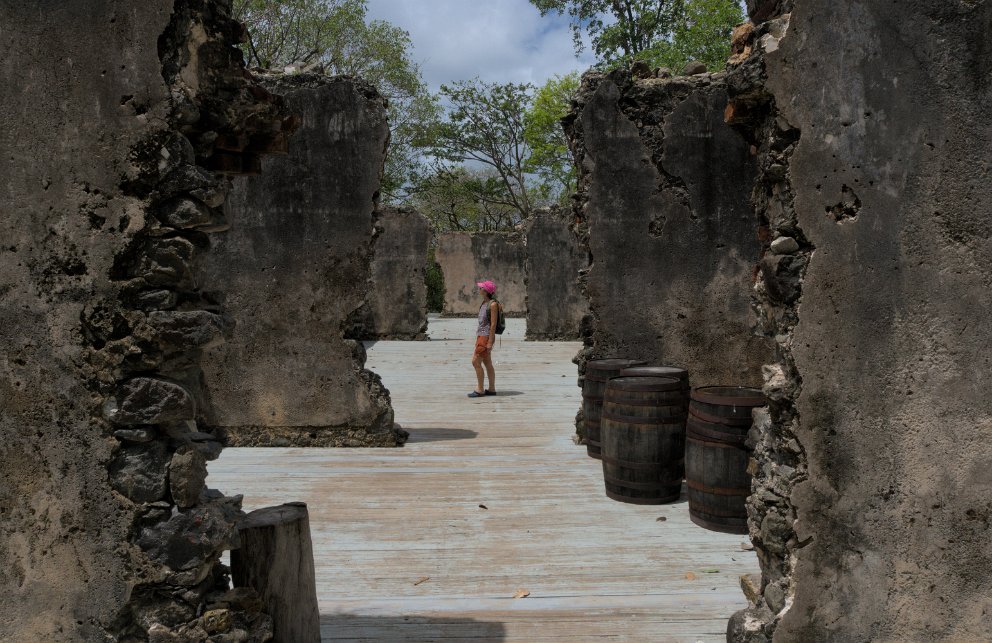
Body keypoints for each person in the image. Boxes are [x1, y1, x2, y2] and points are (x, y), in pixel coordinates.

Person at [468, 280, 499, 398]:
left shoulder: (493, 305)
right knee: (487, 362)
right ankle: (491, 389)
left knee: (475, 361)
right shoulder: (484, 303)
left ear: (486, 291)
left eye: (481, 288)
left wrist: (490, 342)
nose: (479, 289)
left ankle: (480, 389)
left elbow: (493, 324)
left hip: (486, 337)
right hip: (481, 336)